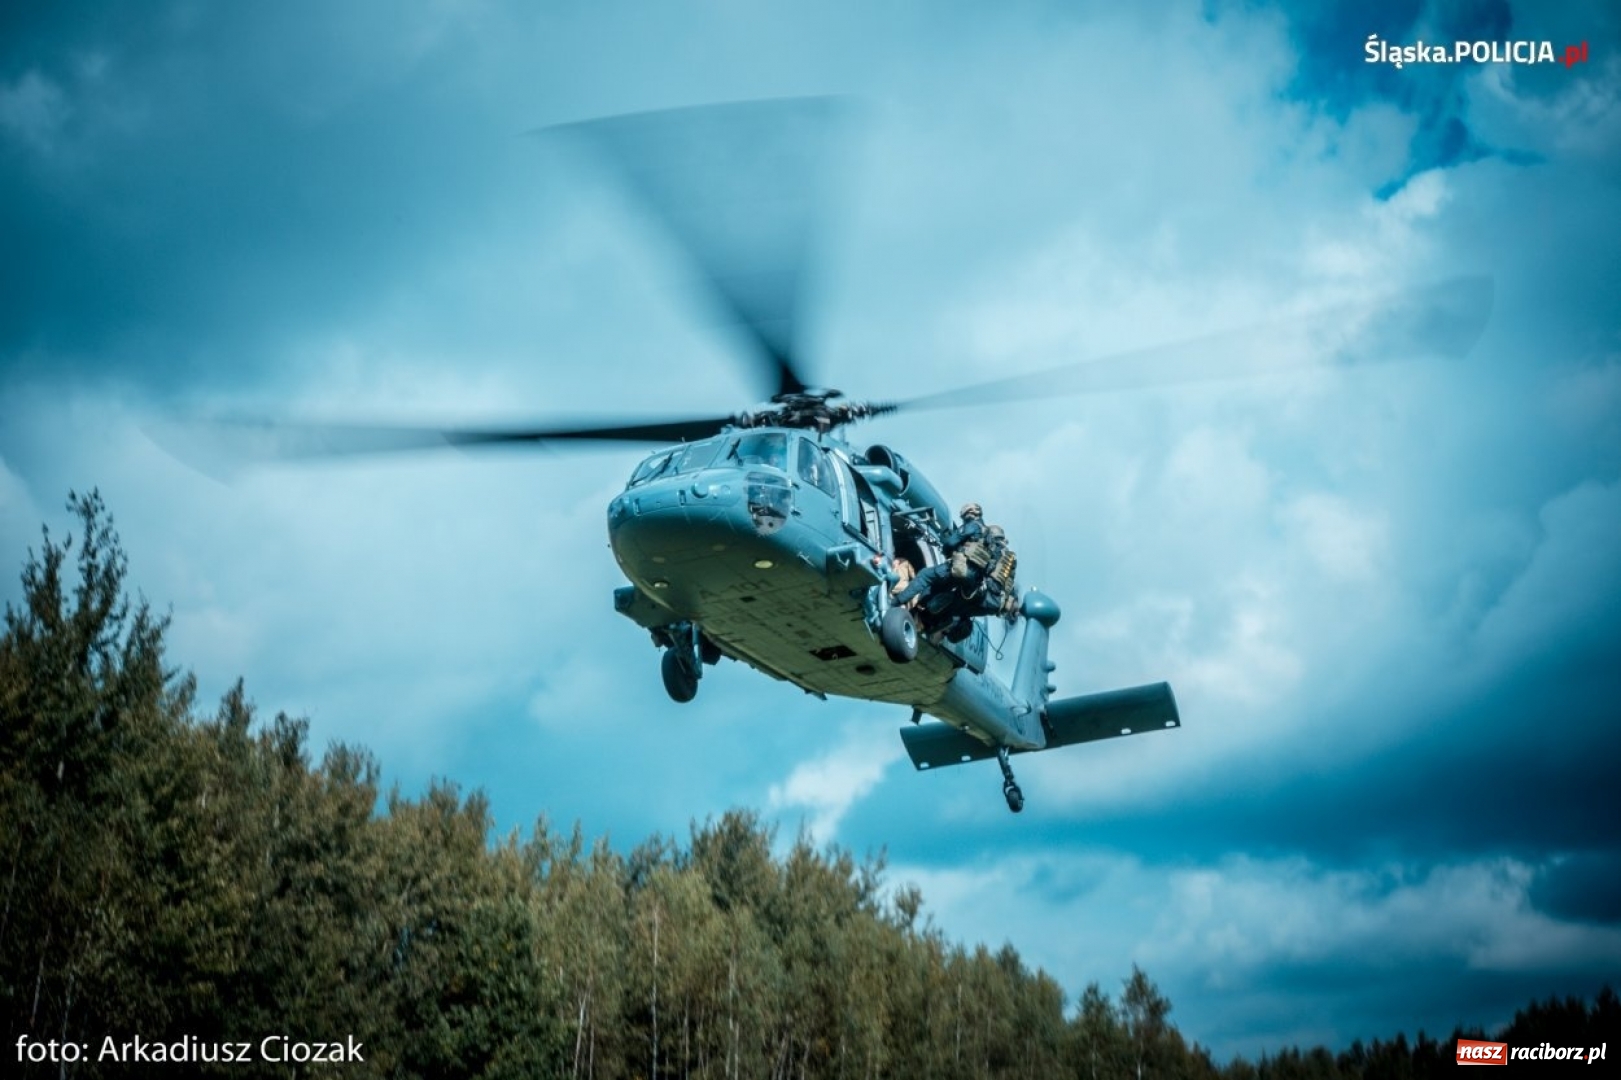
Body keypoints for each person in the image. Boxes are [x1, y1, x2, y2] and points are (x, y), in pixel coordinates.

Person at [891, 503, 987, 607]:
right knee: (934, 589)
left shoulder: (972, 525)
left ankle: (895, 602)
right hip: (972, 578)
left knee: (924, 575)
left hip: (960, 568)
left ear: (969, 513)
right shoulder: (986, 533)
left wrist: (947, 551)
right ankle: (920, 609)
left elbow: (950, 543)